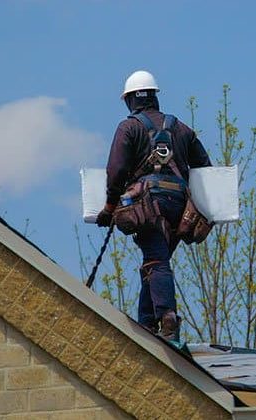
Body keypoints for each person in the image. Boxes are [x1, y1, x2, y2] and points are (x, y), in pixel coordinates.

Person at [96, 70, 211, 341]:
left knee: (156, 261)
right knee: (155, 259)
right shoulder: (181, 128)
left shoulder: (129, 127)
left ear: (129, 100)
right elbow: (205, 168)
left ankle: (166, 318)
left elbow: (116, 170)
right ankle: (146, 323)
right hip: (179, 208)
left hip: (148, 206)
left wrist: (109, 207)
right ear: (154, 97)